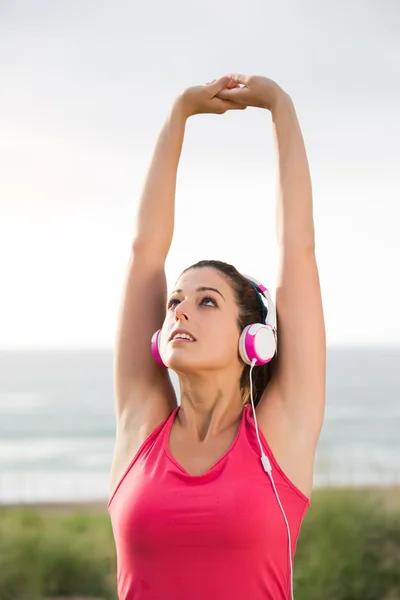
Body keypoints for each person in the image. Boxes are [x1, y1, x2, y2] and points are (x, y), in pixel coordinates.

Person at [107, 74, 326, 600]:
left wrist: (281, 109)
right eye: (175, 302)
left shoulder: (280, 433)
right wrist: (177, 114)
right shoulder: (142, 429)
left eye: (207, 301)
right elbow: (145, 256)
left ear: (253, 341)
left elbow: (298, 251)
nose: (181, 311)